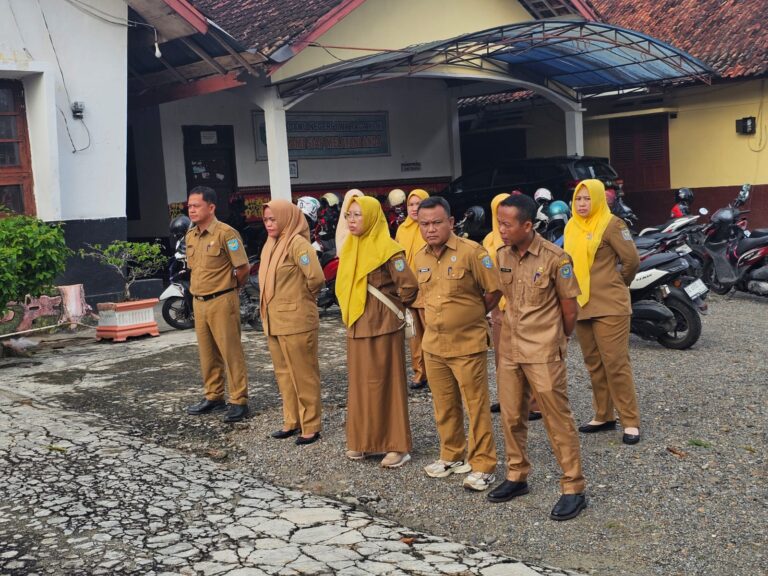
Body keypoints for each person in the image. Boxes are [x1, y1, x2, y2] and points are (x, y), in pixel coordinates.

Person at [486, 194, 586, 521]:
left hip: (543, 351)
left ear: (527, 225)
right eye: (499, 223)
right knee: (511, 415)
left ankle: (573, 487)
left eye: (507, 224)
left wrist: (558, 339)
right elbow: (494, 295)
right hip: (510, 349)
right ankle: (517, 476)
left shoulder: (556, 258)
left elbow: (570, 310)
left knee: (557, 419)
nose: (501, 229)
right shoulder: (502, 255)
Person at [414, 196, 501, 492]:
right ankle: (452, 455)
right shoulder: (420, 257)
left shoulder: (472, 252)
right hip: (434, 344)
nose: (430, 229)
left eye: (437, 223)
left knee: (476, 407)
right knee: (444, 405)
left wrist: (472, 314)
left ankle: (484, 465)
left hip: (467, 344)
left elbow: (494, 289)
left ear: (451, 222)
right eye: (424, 224)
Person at [336, 196, 418, 468]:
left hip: (383, 327)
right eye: (348, 215)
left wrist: (390, 309)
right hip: (357, 325)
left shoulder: (389, 249)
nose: (352, 220)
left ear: (371, 217)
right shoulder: (350, 247)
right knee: (361, 385)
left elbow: (409, 286)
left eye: (358, 215)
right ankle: (364, 440)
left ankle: (397, 445)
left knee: (387, 384)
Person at [564, 179, 641, 445]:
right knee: (594, 363)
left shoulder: (612, 224)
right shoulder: (572, 226)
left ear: (597, 199)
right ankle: (603, 415)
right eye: (578, 199)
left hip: (610, 304)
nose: (582, 204)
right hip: (581, 303)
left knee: (616, 363)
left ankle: (630, 421)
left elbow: (631, 260)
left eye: (587, 198)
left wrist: (617, 282)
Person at [259, 200, 325, 445]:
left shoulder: (297, 243)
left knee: (303, 374)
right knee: (284, 375)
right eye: (266, 220)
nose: (268, 224)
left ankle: (311, 425)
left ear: (287, 218)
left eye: (273, 219)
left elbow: (316, 278)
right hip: (274, 321)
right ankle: (292, 420)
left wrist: (301, 299)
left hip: (297, 320)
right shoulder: (271, 243)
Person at [184, 186, 250, 423]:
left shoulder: (226, 234)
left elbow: (243, 268)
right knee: (207, 352)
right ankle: (213, 396)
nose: (191, 210)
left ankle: (239, 400)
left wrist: (232, 288)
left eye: (196, 206)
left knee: (230, 352)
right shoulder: (191, 235)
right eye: (189, 206)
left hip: (222, 299)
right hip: (199, 301)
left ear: (211, 207)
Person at [395, 188, 430, 390]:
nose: (414, 208)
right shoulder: (402, 229)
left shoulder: (429, 227)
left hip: (427, 288)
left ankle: (436, 373)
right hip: (408, 291)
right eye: (411, 204)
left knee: (431, 333)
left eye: (419, 204)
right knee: (413, 334)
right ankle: (419, 372)